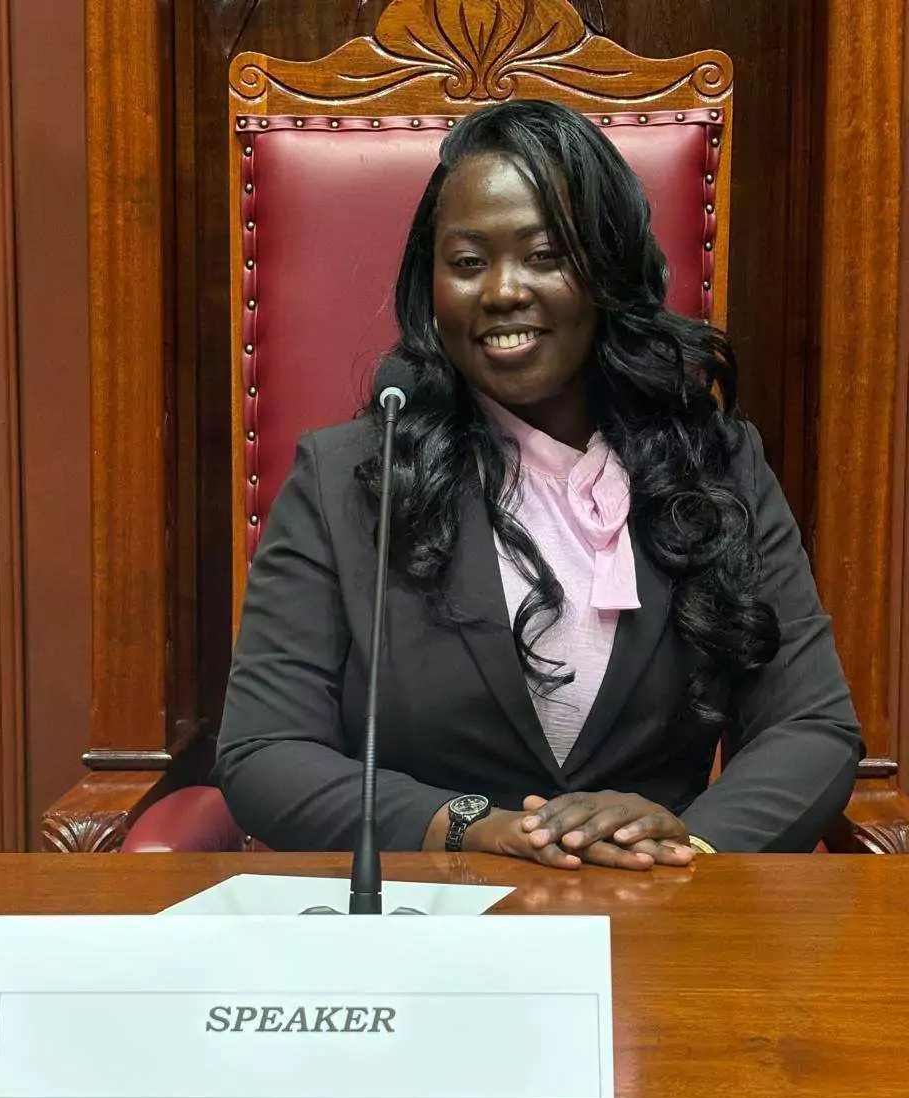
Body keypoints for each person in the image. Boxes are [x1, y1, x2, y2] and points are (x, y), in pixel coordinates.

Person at [214, 100, 861, 868]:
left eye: (545, 255)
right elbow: (264, 750)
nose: (501, 291)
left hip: (661, 924)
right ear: (433, 287)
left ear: (607, 270)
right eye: (467, 262)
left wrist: (687, 841)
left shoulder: (715, 464)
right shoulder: (350, 476)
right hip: (431, 918)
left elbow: (812, 727)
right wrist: (469, 827)